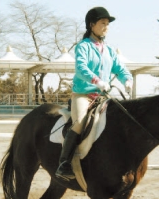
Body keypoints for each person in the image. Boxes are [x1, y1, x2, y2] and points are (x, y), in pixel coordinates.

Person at [55, 6, 133, 180]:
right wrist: (97, 81)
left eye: (107, 24)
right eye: (103, 23)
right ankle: (64, 163)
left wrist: (127, 80)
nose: (106, 27)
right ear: (92, 25)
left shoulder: (110, 50)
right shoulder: (83, 46)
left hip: (103, 96)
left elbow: (120, 69)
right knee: (80, 122)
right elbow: (81, 68)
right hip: (83, 95)